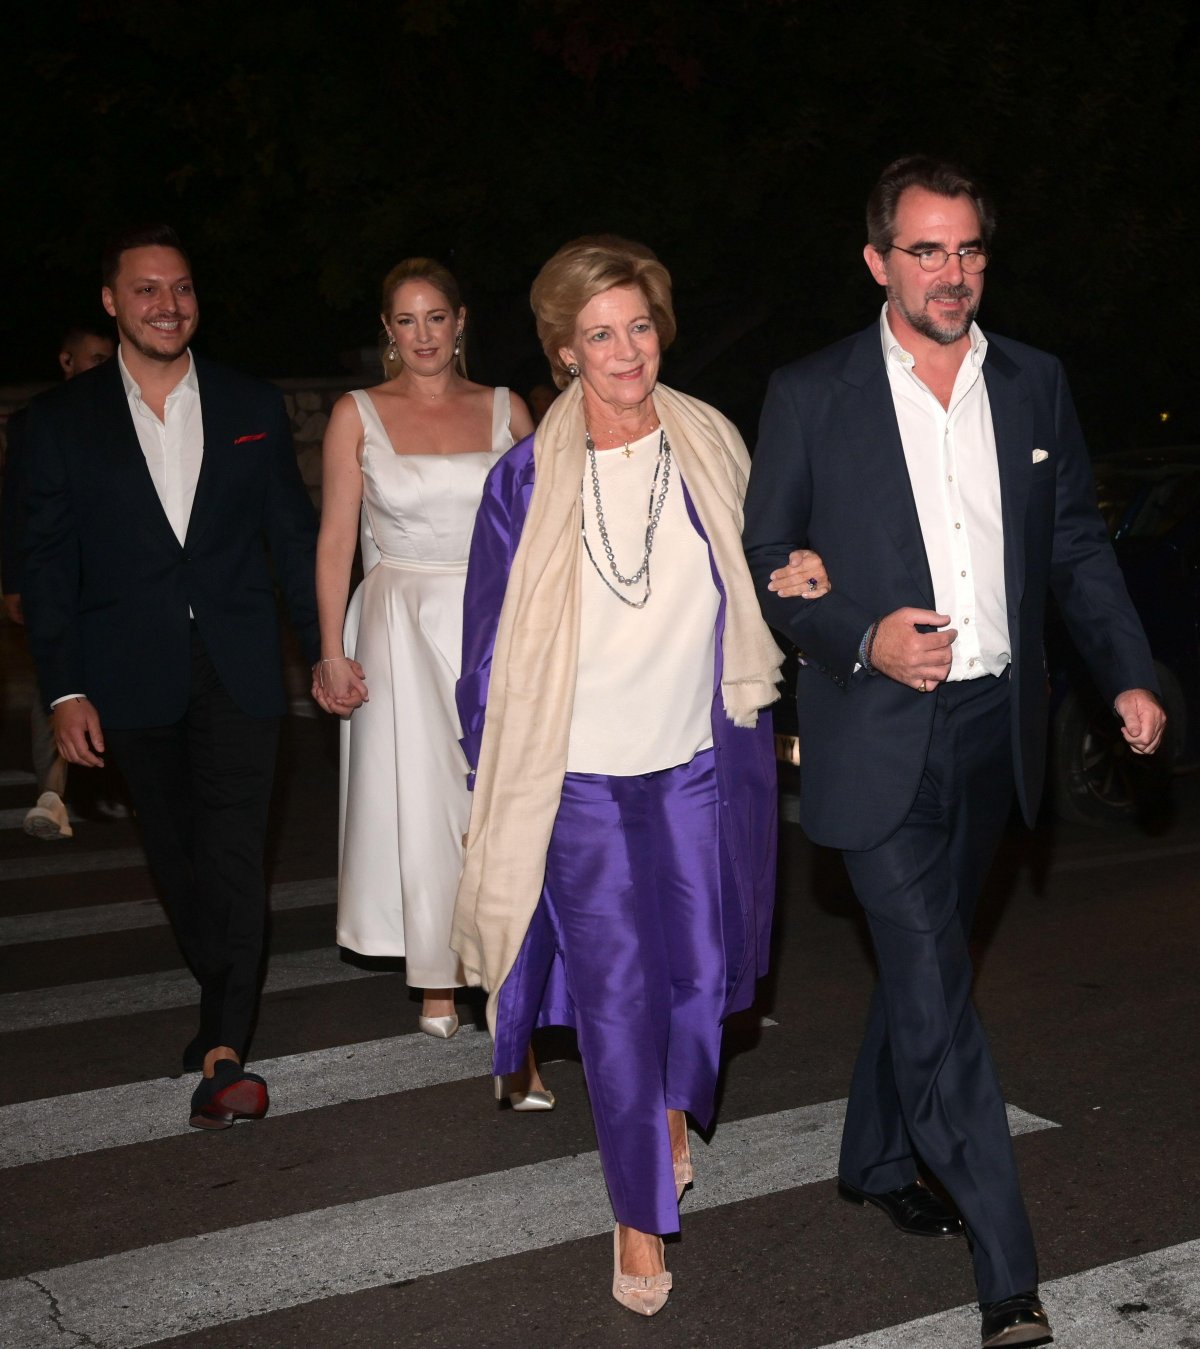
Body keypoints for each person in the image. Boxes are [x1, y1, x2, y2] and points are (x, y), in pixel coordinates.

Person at [743, 155, 1165, 1349]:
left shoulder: (1031, 382)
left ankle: (877, 1155)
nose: (953, 272)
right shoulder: (813, 391)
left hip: (995, 731)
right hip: (874, 732)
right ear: (878, 260)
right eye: (926, 250)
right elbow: (770, 547)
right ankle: (1008, 1267)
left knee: (924, 966)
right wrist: (858, 633)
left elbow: (1075, 542)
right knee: (934, 979)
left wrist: (1128, 668)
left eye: (970, 248)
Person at [451, 235, 826, 1314]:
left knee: (701, 976)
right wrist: (497, 772)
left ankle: (671, 1103)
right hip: (576, 778)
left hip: (705, 754)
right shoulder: (521, 480)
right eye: (599, 334)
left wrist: (802, 578)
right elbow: (484, 649)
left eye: (640, 325)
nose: (625, 350)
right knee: (617, 998)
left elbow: (771, 570)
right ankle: (637, 1211)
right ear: (565, 352)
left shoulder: (711, 440)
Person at [22, 224, 320, 1130]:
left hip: (237, 665)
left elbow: (293, 540)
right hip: (128, 673)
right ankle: (221, 999)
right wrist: (65, 688)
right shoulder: (55, 425)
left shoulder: (251, 403)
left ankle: (226, 1048)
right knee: (180, 856)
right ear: (111, 302)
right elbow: (45, 568)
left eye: (182, 288)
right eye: (147, 290)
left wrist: (326, 648)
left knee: (235, 850)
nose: (168, 305)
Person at [312, 259, 552, 1103]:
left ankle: (500, 974)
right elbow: (337, 537)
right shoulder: (356, 414)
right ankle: (438, 975)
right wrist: (330, 650)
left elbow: (541, 532)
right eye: (405, 321)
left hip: (491, 617)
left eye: (436, 318)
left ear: (460, 323)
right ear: (389, 329)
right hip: (397, 619)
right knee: (424, 801)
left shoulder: (506, 409)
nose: (422, 335)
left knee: (496, 799)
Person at [3, 324, 116, 840]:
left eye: (107, 358)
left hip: (109, 576)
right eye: (93, 359)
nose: (102, 367)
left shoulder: (124, 415)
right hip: (55, 575)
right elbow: (16, 508)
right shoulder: (34, 423)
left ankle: (107, 788)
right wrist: (14, 581)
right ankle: (53, 794)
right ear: (66, 362)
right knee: (57, 678)